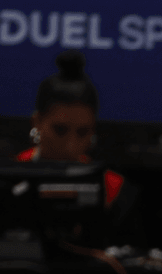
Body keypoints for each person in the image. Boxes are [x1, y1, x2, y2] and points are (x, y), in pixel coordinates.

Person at [20, 52, 127, 210]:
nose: (70, 145)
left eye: (82, 133)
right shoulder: (11, 174)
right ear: (37, 122)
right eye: (60, 130)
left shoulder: (111, 188)